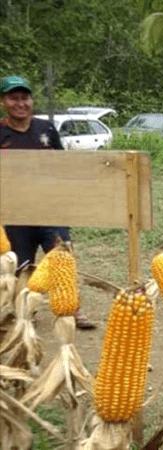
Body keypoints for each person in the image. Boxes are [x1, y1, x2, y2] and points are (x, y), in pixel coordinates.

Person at [0, 75, 96, 330]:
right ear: (3, 102)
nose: (20, 103)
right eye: (13, 98)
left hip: (51, 209)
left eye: (25, 98)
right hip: (16, 212)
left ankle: (71, 309)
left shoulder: (47, 129)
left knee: (62, 256)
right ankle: (24, 311)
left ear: (32, 101)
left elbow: (62, 165)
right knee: (21, 264)